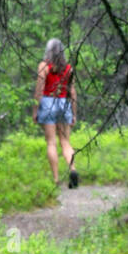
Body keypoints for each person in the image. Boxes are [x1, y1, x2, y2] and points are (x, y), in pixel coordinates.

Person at [33, 38, 79, 188]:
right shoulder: (68, 69)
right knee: (65, 142)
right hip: (63, 103)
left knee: (51, 142)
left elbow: (39, 91)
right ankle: (72, 169)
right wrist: (74, 113)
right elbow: (72, 92)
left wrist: (35, 111)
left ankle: (56, 179)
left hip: (48, 103)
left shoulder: (44, 66)